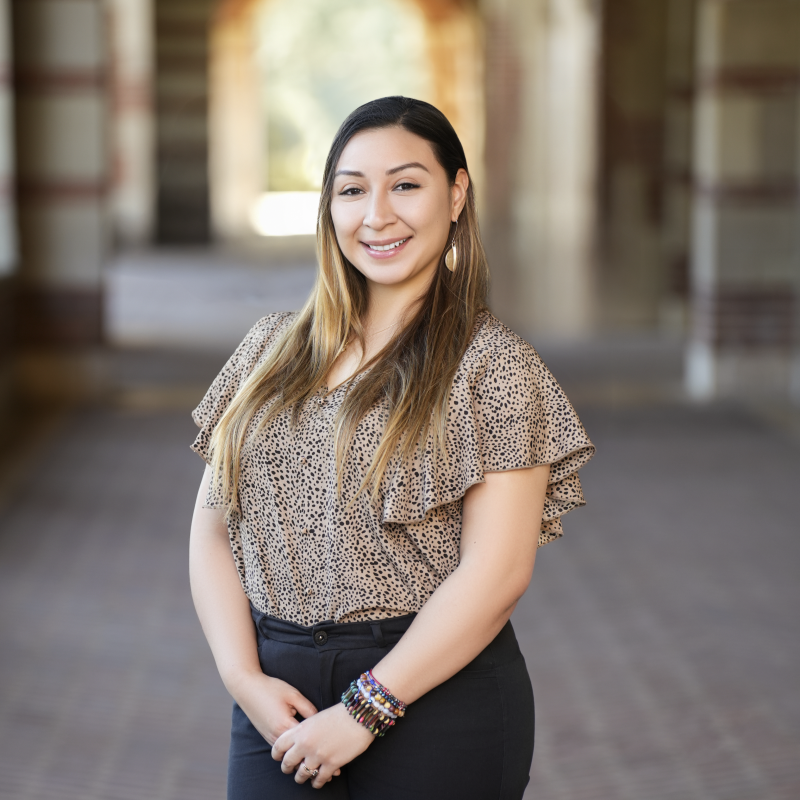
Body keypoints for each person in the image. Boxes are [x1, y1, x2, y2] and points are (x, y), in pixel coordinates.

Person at [189, 96, 595, 799]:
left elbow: (497, 574)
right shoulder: (268, 349)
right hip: (277, 696)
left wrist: (366, 709)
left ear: (456, 193)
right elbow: (212, 532)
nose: (376, 214)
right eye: (352, 190)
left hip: (436, 696)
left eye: (406, 184)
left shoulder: (493, 367)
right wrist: (243, 679)